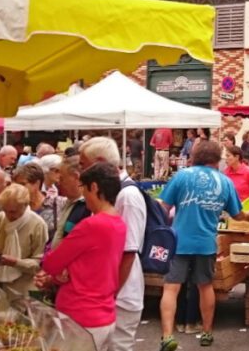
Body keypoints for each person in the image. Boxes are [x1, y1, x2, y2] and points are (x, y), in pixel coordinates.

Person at [158, 139, 249, 350]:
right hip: (206, 244)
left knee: (171, 288)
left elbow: (163, 208)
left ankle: (167, 336)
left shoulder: (181, 176)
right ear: (216, 159)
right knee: (205, 287)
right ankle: (207, 332)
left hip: (178, 241)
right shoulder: (225, 182)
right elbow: (237, 215)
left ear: (195, 156)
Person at [39, 162, 128, 351]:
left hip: (79, 316)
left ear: (94, 187)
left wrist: (60, 271)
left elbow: (50, 263)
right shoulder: (119, 223)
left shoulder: (91, 225)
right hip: (104, 313)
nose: (83, 195)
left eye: (83, 188)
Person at [79, 137, 146, 351]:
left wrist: (110, 292)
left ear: (99, 162)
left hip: (121, 296)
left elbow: (128, 252)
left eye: (83, 164)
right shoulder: (112, 193)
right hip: (109, 293)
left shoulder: (127, 195)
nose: (80, 171)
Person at [0, 183, 48, 301]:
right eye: (5, 210)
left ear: (25, 205)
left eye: (13, 212)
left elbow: (40, 264)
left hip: (20, 292)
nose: (8, 216)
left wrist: (16, 262)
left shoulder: (38, 225)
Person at [50, 156, 90, 250]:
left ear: (76, 177)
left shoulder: (86, 207)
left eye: (62, 178)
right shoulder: (69, 202)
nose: (58, 183)